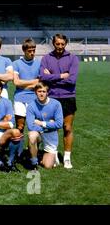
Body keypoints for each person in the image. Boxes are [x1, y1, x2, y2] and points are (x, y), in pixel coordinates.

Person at [40, 33, 79, 169]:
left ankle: (67, 158)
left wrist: (52, 77)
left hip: (68, 97)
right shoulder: (46, 58)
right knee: (53, 128)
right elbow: (43, 77)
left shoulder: (73, 58)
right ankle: (54, 155)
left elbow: (72, 80)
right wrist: (62, 76)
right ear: (53, 43)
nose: (60, 47)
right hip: (52, 98)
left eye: (62, 44)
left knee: (67, 128)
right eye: (58, 44)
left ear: (66, 44)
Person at [26, 82, 63, 170]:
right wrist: (49, 125)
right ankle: (34, 162)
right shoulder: (31, 106)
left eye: (43, 91)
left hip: (50, 135)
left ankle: (52, 156)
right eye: (39, 91)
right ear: (35, 92)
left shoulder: (56, 104)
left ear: (47, 92)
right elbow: (31, 126)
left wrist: (42, 123)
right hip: (40, 133)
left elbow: (59, 124)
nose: (41, 94)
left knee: (47, 166)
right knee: (32, 135)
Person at [13, 38, 40, 133]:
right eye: (29, 51)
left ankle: (32, 148)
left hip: (35, 98)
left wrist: (23, 84)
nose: (32, 53)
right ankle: (19, 148)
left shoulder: (39, 63)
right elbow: (16, 82)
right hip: (19, 98)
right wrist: (33, 82)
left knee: (34, 127)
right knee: (20, 126)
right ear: (24, 50)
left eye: (34, 50)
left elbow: (40, 83)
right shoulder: (16, 63)